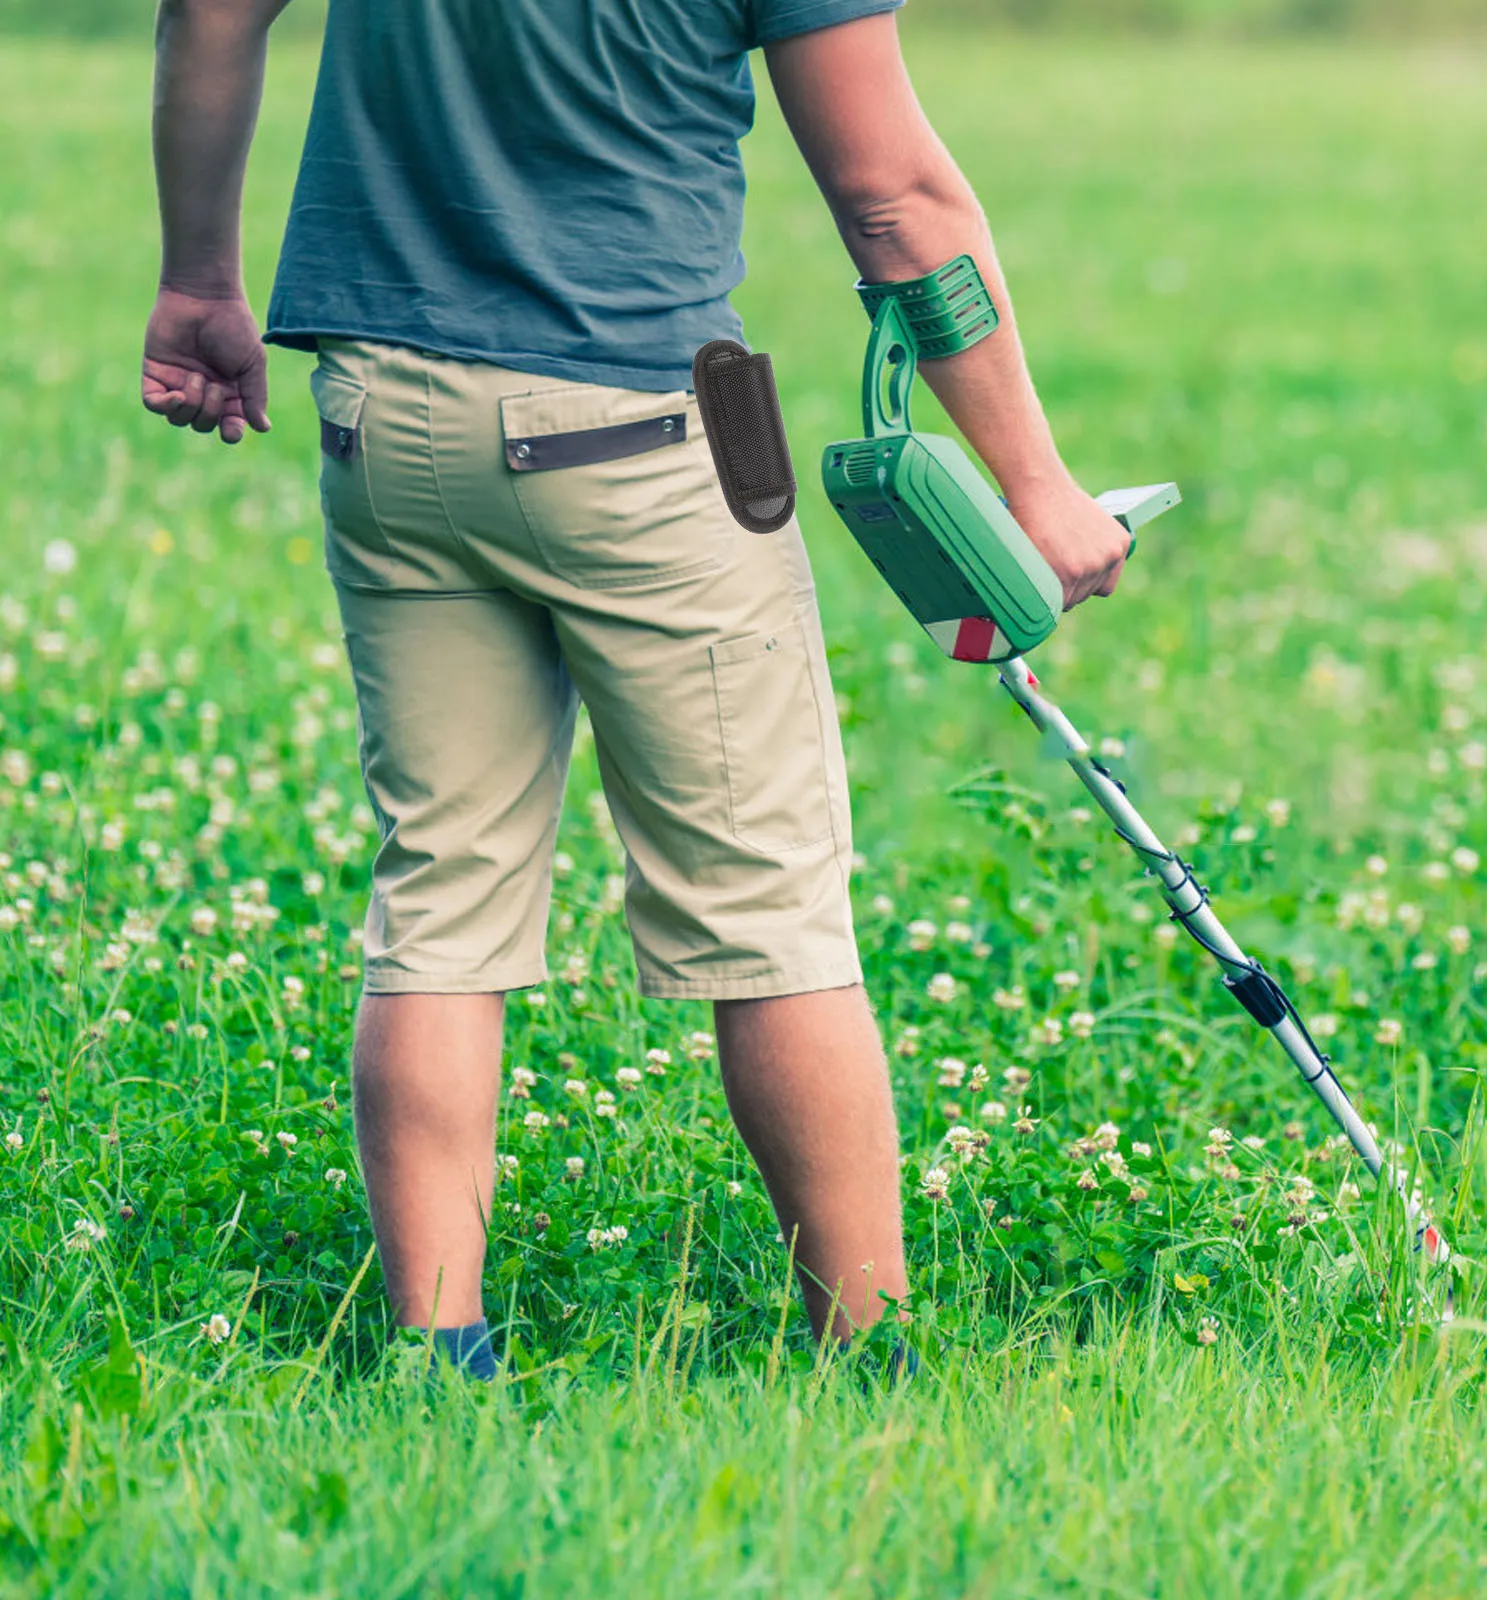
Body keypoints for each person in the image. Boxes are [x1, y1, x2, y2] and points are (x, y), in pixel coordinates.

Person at [142, 0, 1131, 1380]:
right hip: (636, 433)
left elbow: (209, 10)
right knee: (768, 905)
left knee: (440, 888)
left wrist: (200, 277)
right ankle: (870, 1363)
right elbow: (891, 197)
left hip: (386, 413)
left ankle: (437, 1358)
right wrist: (1036, 486)